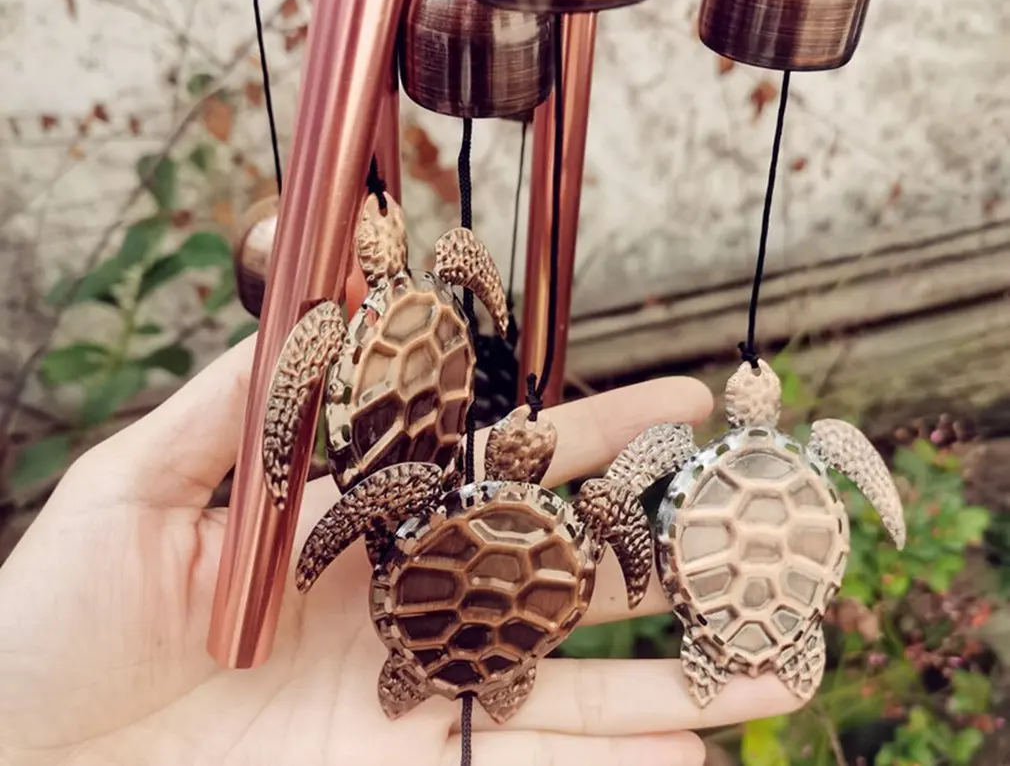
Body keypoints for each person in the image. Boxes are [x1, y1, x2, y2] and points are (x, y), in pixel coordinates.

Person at [0, 334, 803, 765]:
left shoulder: (429, 487)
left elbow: (372, 504)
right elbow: (613, 530)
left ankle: (442, 668)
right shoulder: (577, 513)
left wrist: (321, 550)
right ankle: (499, 672)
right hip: (515, 629)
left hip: (428, 627)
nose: (520, 440)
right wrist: (629, 566)